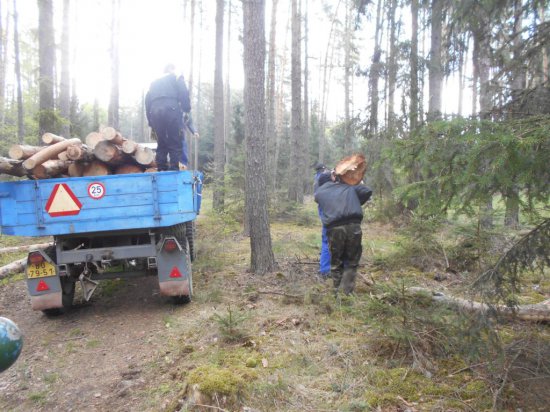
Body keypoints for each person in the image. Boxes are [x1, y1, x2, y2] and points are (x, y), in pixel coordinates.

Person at [314, 169, 372, 295]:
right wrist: (355, 182)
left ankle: (336, 291)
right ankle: (347, 292)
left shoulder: (319, 194)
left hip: (334, 229)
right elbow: (367, 191)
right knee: (352, 261)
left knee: (336, 261)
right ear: (332, 179)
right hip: (353, 226)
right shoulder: (347, 188)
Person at [145, 63, 191, 171]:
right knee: (175, 142)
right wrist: (186, 109)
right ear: (171, 69)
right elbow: (183, 92)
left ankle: (161, 171)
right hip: (171, 109)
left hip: (155, 112)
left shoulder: (153, 82)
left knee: (161, 143)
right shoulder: (176, 76)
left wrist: (151, 122)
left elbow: (147, 102)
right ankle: (174, 172)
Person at [313, 162, 331, 279]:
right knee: (327, 240)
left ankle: (324, 269)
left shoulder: (316, 179)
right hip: (330, 209)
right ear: (323, 169)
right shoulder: (325, 177)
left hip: (322, 208)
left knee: (326, 239)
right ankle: (326, 270)